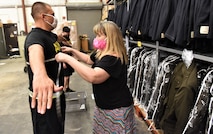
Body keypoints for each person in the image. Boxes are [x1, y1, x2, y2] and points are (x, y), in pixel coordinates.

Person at [55, 21, 136, 133]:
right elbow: (89, 59)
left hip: (116, 108)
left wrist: (68, 59)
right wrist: (73, 51)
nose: (96, 38)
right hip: (104, 106)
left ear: (109, 37)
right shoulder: (101, 52)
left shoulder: (113, 58)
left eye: (99, 35)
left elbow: (94, 77)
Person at [24, 2, 65, 134]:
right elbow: (35, 51)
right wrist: (40, 75)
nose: (54, 18)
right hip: (45, 99)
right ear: (43, 16)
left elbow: (56, 39)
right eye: (52, 15)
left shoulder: (49, 35)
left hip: (57, 95)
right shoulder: (35, 37)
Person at [59, 26, 75, 92]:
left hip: (68, 59)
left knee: (68, 75)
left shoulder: (67, 38)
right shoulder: (60, 40)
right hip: (64, 60)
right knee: (66, 76)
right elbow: (60, 52)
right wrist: (63, 63)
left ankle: (67, 87)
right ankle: (64, 89)